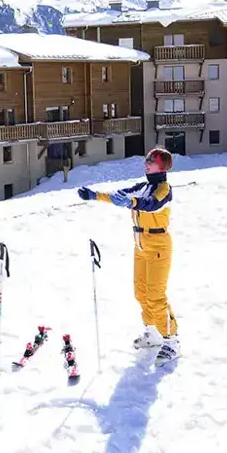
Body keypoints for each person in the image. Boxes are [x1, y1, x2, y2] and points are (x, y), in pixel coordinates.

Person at [77, 146, 180, 365]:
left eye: (150, 161)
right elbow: (120, 195)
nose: (146, 164)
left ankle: (172, 340)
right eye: (146, 160)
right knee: (141, 293)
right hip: (140, 246)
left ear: (162, 166)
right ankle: (153, 332)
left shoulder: (164, 189)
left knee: (156, 295)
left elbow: (151, 204)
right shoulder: (142, 186)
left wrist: (132, 202)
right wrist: (95, 195)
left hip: (158, 246)